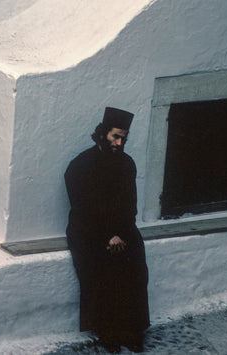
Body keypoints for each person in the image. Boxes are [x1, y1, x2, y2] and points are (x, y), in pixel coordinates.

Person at [64, 107, 150, 353]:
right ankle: (108, 332)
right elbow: (83, 209)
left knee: (135, 269)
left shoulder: (127, 164)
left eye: (123, 138)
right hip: (88, 230)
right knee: (101, 272)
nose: (120, 143)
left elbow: (129, 206)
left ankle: (132, 330)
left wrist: (121, 233)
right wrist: (107, 236)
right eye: (115, 137)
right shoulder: (80, 166)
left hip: (122, 228)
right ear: (103, 134)